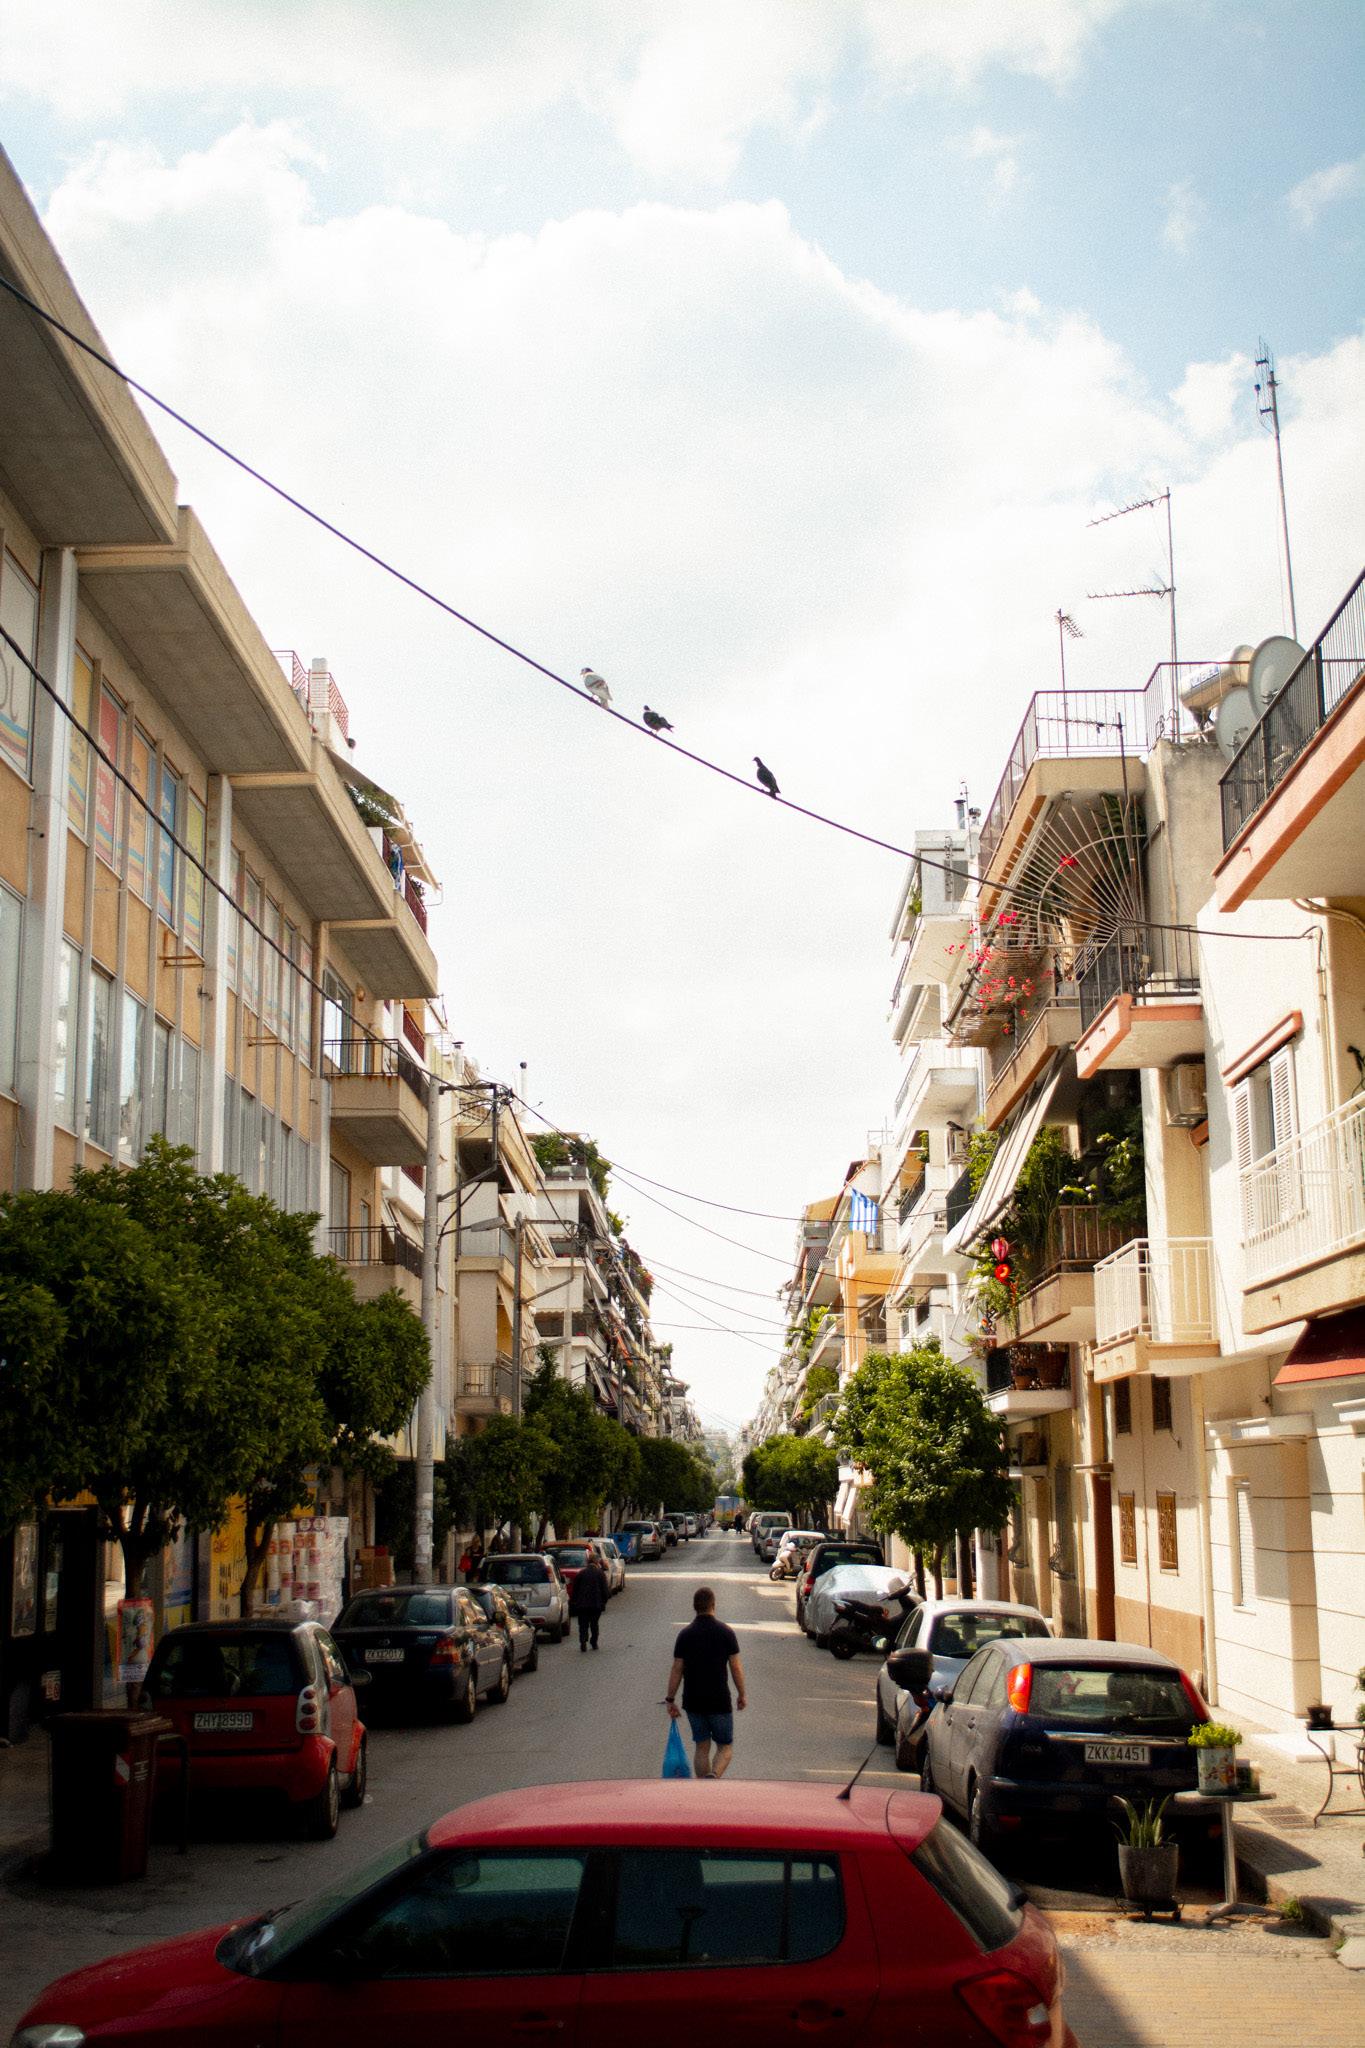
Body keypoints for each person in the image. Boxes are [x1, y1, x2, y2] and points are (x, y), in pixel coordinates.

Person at [665, 1585, 747, 1778]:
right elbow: (735, 1667)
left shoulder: (685, 1635)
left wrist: (670, 1699)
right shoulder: (726, 1633)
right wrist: (742, 1694)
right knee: (725, 1746)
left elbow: (677, 1668)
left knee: (701, 1746)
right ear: (713, 1605)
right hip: (719, 1700)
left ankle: (703, 1785)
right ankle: (714, 1776)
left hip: (693, 1701)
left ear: (695, 1607)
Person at [568, 1546, 609, 1651]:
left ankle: (583, 1640)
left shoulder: (581, 1573)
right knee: (594, 1624)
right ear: (597, 1562)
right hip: (596, 1604)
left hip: (582, 1605)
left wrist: (574, 1602)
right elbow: (605, 1590)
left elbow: (575, 1590)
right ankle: (594, 1642)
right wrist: (604, 1601)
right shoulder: (600, 1574)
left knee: (583, 1624)